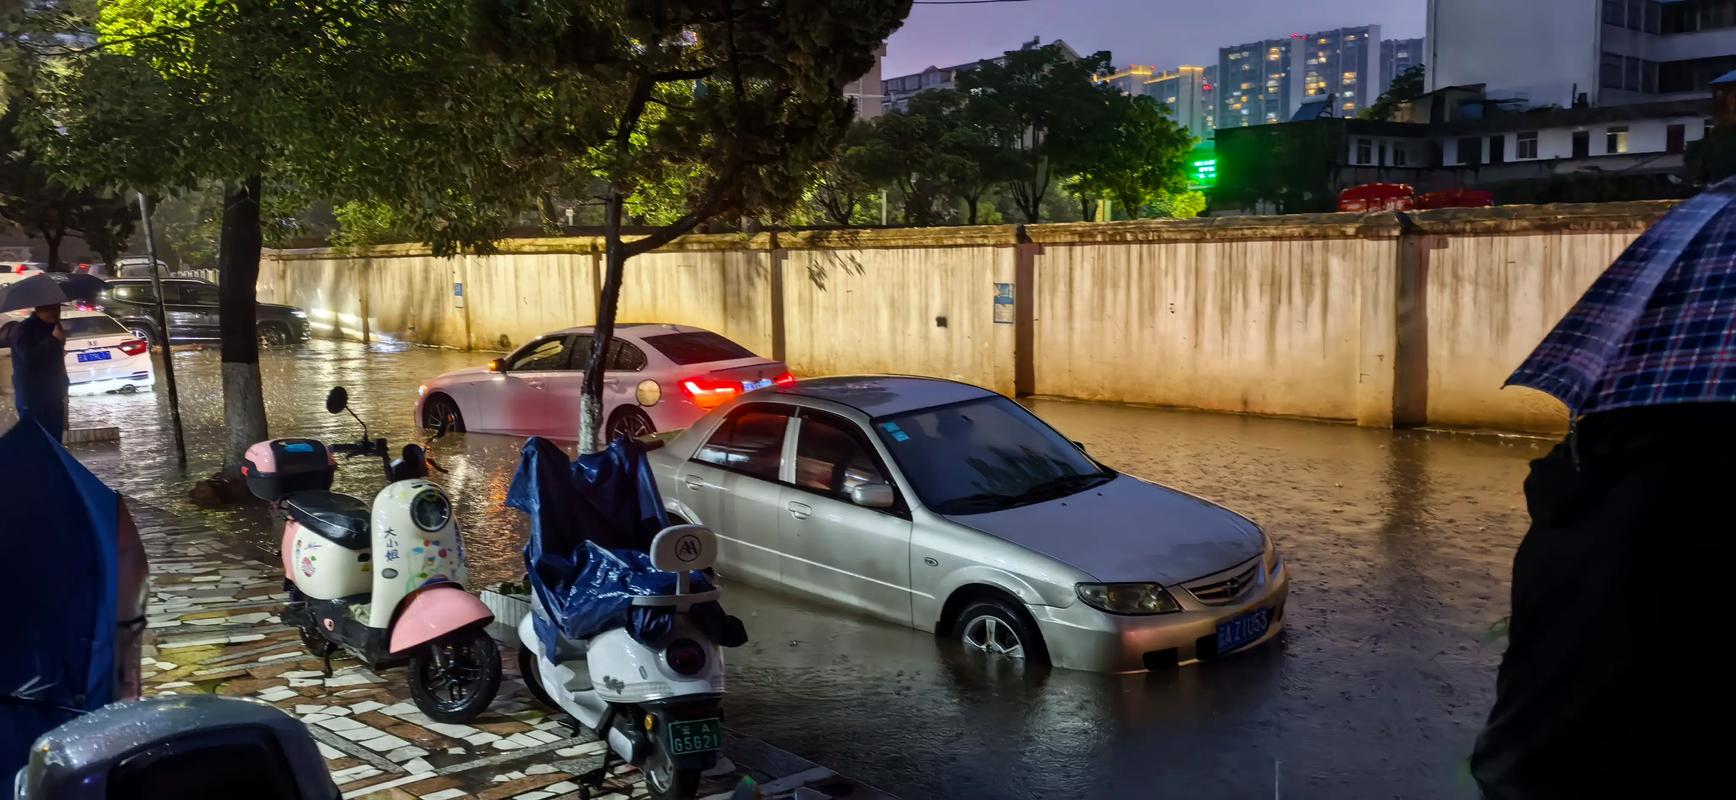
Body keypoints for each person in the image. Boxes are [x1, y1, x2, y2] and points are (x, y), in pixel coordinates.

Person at [10, 303, 68, 441]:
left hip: (54, 397)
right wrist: (53, 340)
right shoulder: (24, 329)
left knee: (55, 443)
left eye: (58, 309)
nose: (56, 313)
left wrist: (64, 384)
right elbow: (29, 358)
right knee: (37, 443)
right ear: (40, 310)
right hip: (32, 399)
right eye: (52, 309)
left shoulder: (53, 328)